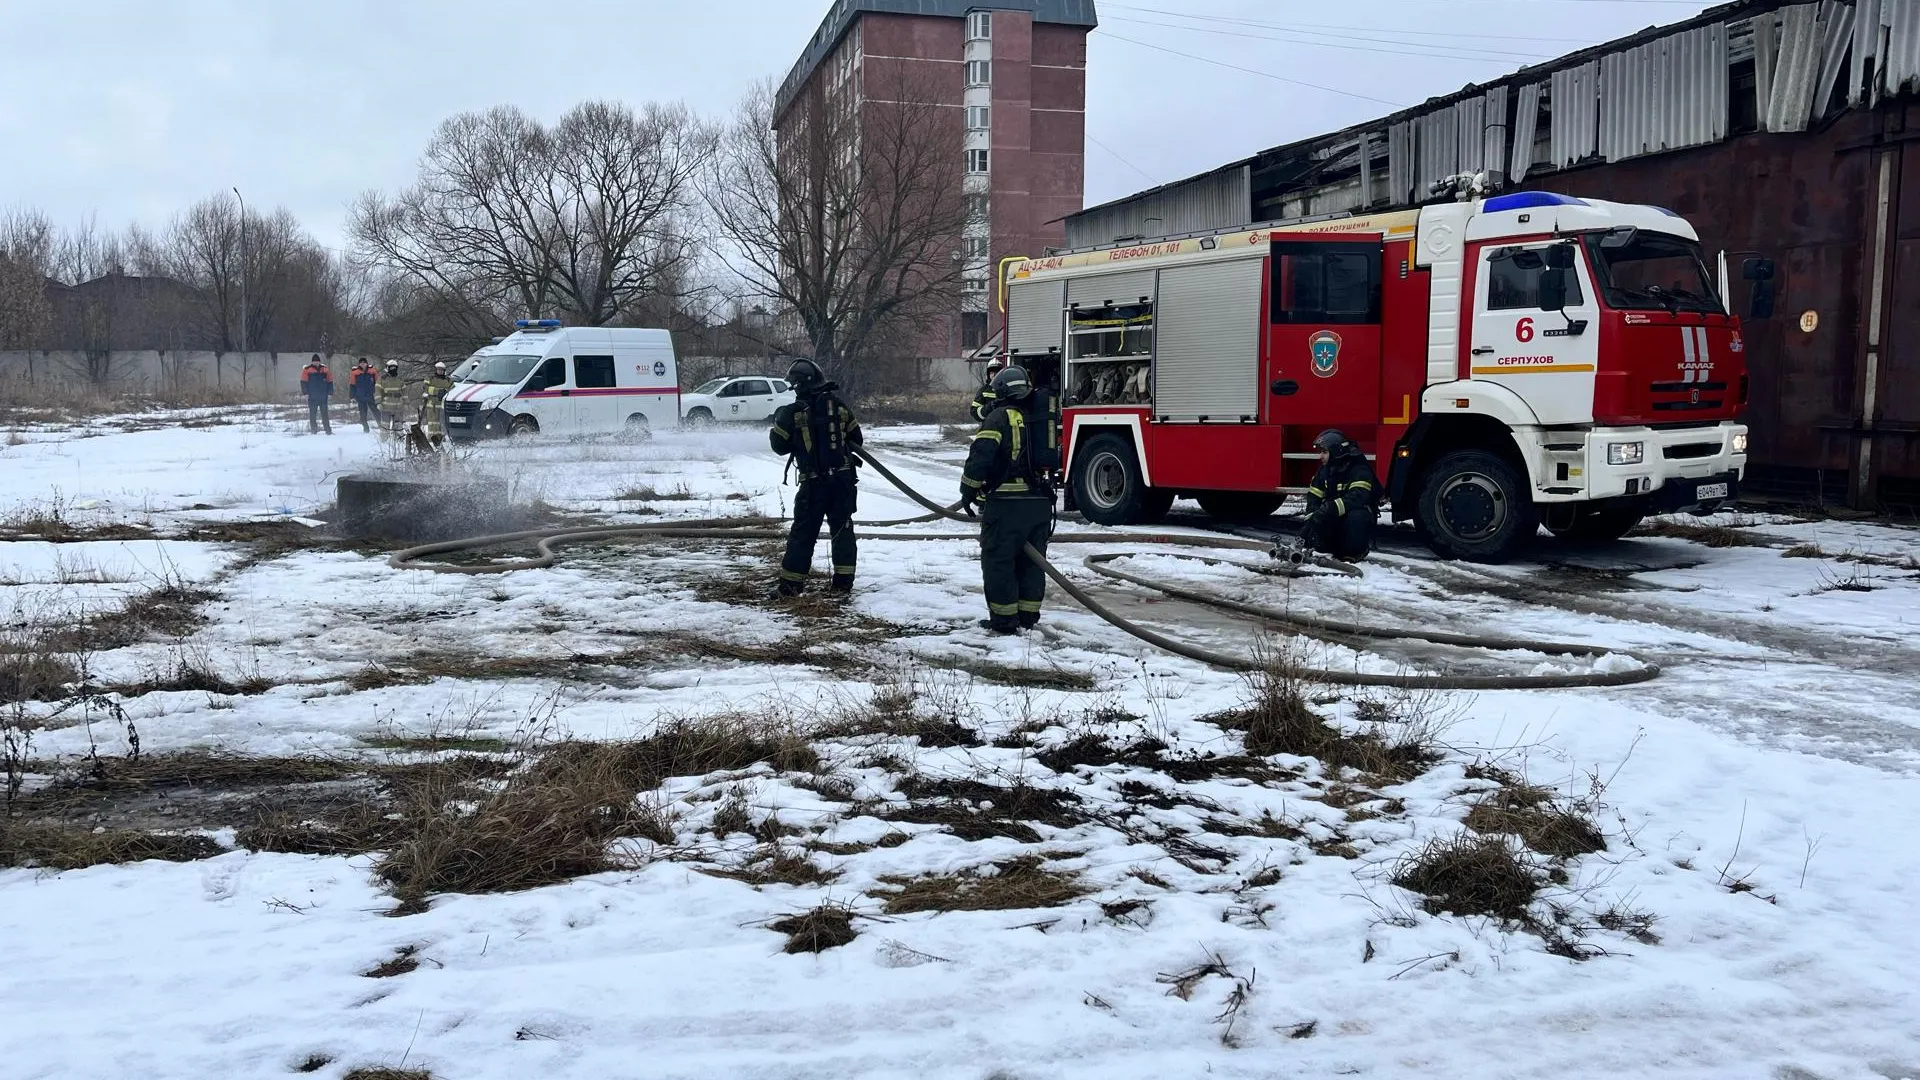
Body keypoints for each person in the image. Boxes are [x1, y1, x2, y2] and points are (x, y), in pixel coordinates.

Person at [960, 365, 1060, 634]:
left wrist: (968, 491)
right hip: (1040, 502)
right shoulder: (1040, 417)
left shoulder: (998, 417)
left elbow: (980, 456)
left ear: (1001, 391)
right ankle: (1027, 617)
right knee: (1032, 562)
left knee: (999, 560)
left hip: (1006, 505)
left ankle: (1004, 620)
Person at [769, 359, 863, 596]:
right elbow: (856, 439)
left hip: (813, 484)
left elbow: (779, 446)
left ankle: (790, 587)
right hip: (842, 482)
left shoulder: (792, 412)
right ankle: (843, 585)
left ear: (800, 384)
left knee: (803, 533)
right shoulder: (839, 407)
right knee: (843, 530)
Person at [1299, 429, 1380, 561]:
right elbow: (1313, 498)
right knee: (1318, 522)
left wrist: (1329, 509)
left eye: (1324, 452)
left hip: (1353, 517)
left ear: (1336, 451)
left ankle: (1354, 552)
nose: (1320, 456)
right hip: (1334, 517)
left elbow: (1358, 497)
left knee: (1357, 516)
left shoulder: (1359, 469)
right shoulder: (1324, 471)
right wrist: (1310, 524)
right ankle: (1325, 549)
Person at [299, 355, 334, 434]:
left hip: (323, 395)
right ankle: (314, 430)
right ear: (312, 362)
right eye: (314, 361)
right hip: (312, 396)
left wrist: (330, 393)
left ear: (319, 361)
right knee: (312, 414)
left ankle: (328, 430)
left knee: (325, 414)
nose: (316, 362)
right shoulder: (307, 370)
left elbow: (330, 381)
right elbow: (303, 382)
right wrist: (305, 393)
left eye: (317, 361)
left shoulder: (325, 369)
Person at [375, 360, 410, 439]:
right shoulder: (382, 379)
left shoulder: (400, 379)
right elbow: (377, 391)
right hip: (385, 407)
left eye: (394, 368)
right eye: (391, 368)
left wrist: (406, 403)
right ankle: (384, 441)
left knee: (398, 426)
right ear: (387, 368)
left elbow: (405, 392)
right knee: (385, 426)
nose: (393, 369)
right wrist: (378, 403)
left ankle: (398, 441)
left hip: (398, 407)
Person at [421, 361, 453, 441]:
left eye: (441, 370)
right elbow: (426, 388)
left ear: (444, 371)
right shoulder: (430, 378)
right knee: (432, 422)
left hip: (443, 404)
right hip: (432, 404)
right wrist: (438, 391)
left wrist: (445, 392)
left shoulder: (448, 380)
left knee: (441, 422)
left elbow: (452, 389)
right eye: (438, 369)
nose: (440, 371)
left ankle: (441, 438)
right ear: (435, 370)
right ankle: (431, 437)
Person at [968, 357, 1006, 422]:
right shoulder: (984, 391)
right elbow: (974, 412)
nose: (994, 375)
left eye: (997, 372)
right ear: (988, 374)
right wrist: (989, 407)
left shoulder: (1007, 389)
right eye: (991, 372)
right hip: (989, 426)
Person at [348, 358, 378, 431]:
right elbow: (352, 385)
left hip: (371, 395)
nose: (362, 364)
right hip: (360, 396)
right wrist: (352, 396)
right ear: (359, 364)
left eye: (364, 362)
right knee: (363, 414)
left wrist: (377, 393)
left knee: (376, 412)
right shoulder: (355, 372)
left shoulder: (372, 371)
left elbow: (377, 383)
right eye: (361, 362)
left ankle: (381, 426)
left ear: (367, 363)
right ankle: (366, 428)